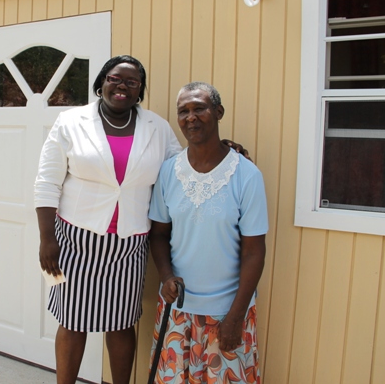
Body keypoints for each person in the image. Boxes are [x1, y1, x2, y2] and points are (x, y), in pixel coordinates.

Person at [35, 57, 248, 384]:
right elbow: (47, 182)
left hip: (131, 243)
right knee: (71, 321)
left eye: (132, 82)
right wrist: (46, 239)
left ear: (140, 91)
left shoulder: (157, 127)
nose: (122, 86)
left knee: (121, 323)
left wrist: (221, 149)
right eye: (115, 78)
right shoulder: (69, 121)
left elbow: (181, 164)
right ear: (102, 82)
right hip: (70, 241)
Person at [147, 82, 268, 384]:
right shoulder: (168, 172)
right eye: (183, 111)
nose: (191, 117)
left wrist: (235, 318)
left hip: (227, 313)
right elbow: (159, 234)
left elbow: (254, 251)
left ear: (218, 112)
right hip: (177, 310)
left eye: (199, 108)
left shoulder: (246, 175)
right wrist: (165, 276)